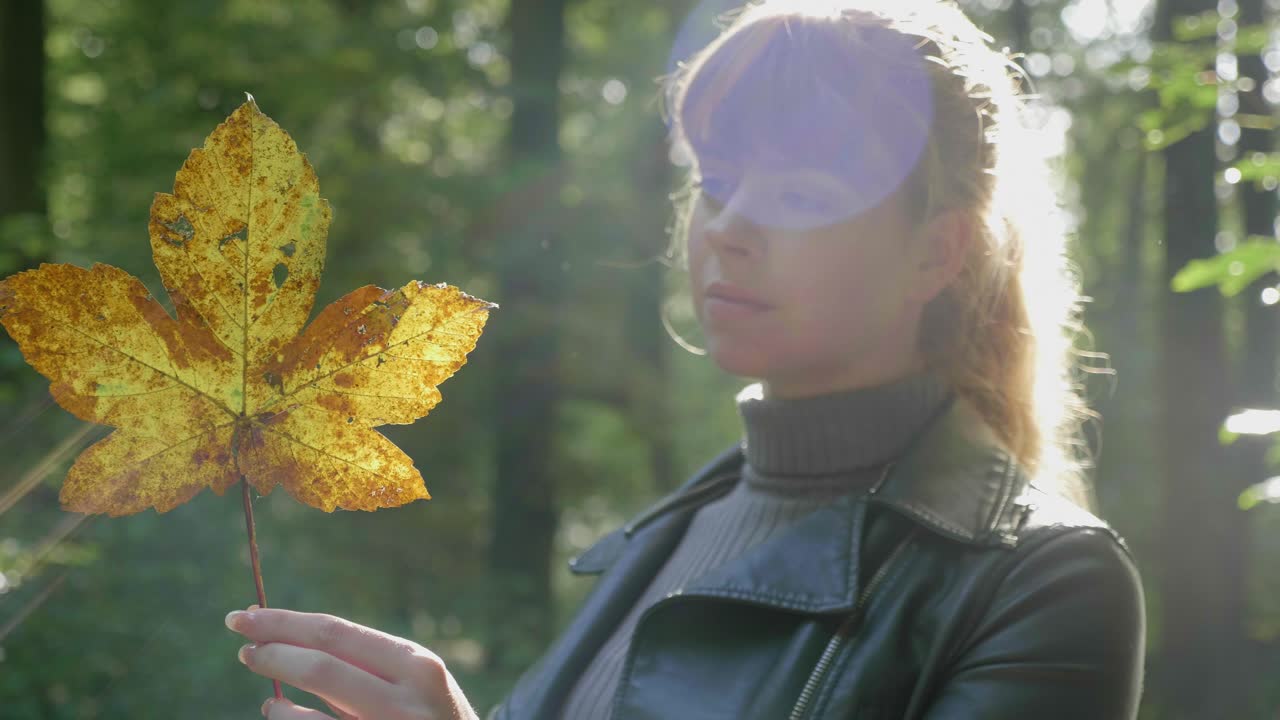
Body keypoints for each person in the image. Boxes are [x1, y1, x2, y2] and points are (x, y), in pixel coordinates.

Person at [224, 0, 1147, 717]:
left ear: (935, 253)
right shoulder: (663, 538)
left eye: (798, 190)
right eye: (716, 181)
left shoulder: (1041, 584)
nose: (730, 227)